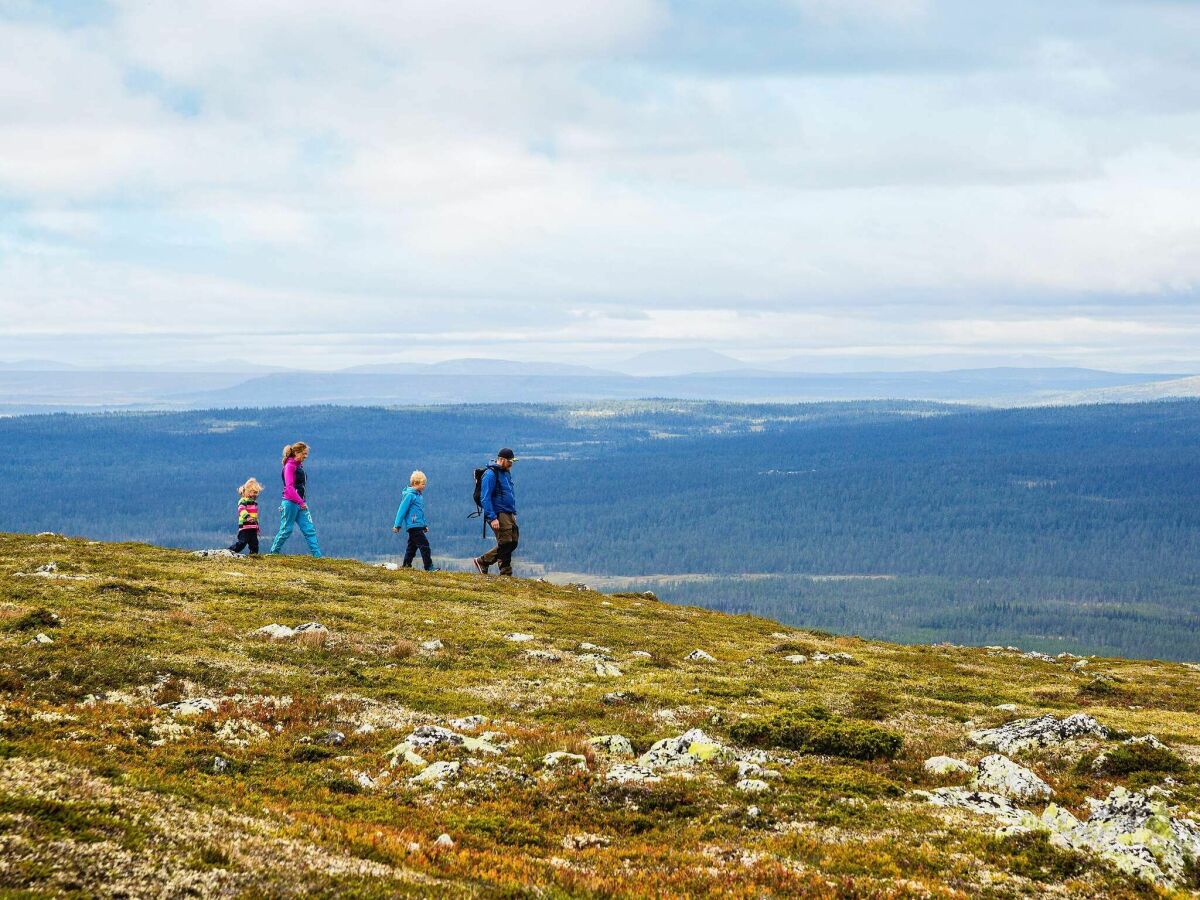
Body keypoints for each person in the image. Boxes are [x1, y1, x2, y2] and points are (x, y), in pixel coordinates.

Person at [269, 442, 322, 557]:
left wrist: (302, 502)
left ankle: (318, 556)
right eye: (304, 453)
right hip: (290, 503)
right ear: (296, 453)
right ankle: (273, 553)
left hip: (301, 503)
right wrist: (301, 502)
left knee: (309, 529)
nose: (306, 456)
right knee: (286, 530)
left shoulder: (298, 466)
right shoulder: (289, 466)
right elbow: (289, 487)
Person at [472, 448, 518, 576]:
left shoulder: (505, 473)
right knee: (505, 542)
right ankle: (505, 573)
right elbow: (485, 497)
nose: (511, 464)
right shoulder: (490, 474)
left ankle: (483, 561)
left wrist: (513, 513)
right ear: (502, 460)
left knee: (513, 541)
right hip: (498, 513)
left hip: (508, 512)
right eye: (510, 461)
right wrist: (492, 518)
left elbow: (509, 494)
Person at [393, 470, 437, 571]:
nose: (424, 486)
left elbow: (420, 513)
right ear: (415, 483)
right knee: (424, 545)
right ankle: (429, 567)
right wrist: (397, 525)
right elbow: (402, 510)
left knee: (412, 547)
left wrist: (424, 525)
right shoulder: (409, 495)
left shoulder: (418, 496)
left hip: (417, 525)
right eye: (423, 484)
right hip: (413, 525)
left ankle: (406, 565)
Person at [227, 477, 262, 555]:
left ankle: (254, 556)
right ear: (248, 491)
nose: (256, 494)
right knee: (242, 543)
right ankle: (229, 551)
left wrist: (257, 527)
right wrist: (247, 517)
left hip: (252, 528)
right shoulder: (243, 501)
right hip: (245, 528)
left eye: (257, 492)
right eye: (254, 492)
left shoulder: (254, 503)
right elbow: (241, 509)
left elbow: (255, 517)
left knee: (254, 544)